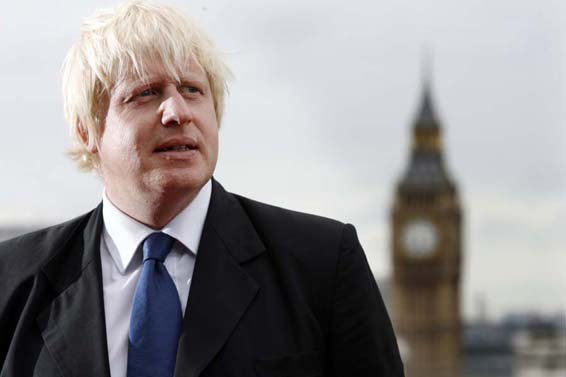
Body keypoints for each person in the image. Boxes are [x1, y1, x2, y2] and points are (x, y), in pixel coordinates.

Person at [0, 1, 404, 376]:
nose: (178, 112)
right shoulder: (11, 279)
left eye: (193, 90)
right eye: (145, 93)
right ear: (88, 131)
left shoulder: (321, 262)